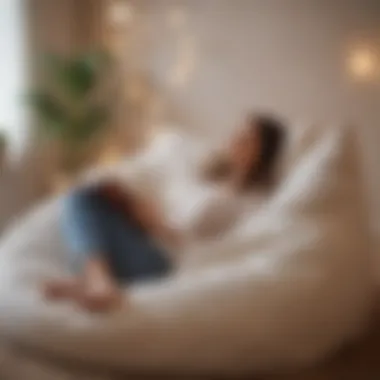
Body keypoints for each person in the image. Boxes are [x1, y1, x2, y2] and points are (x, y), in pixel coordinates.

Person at [43, 113, 287, 312]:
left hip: (165, 265)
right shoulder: (210, 180)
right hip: (150, 239)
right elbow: (174, 212)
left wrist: (154, 224)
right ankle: (97, 280)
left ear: (263, 155)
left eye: (247, 139)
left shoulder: (247, 201)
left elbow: (208, 250)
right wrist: (134, 206)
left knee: (82, 199)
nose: (235, 139)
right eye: (237, 132)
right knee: (88, 194)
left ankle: (98, 282)